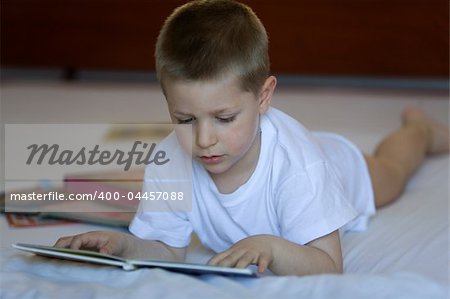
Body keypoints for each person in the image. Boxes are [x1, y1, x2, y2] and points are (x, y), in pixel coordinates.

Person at [55, 0, 450, 276]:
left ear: (263, 97)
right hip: (301, 156)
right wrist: (120, 246)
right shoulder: (171, 161)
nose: (204, 139)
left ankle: (420, 130)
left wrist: (272, 247)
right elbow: (167, 249)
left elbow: (328, 267)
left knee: (392, 172)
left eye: (225, 118)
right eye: (185, 118)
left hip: (338, 165)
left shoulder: (301, 168)